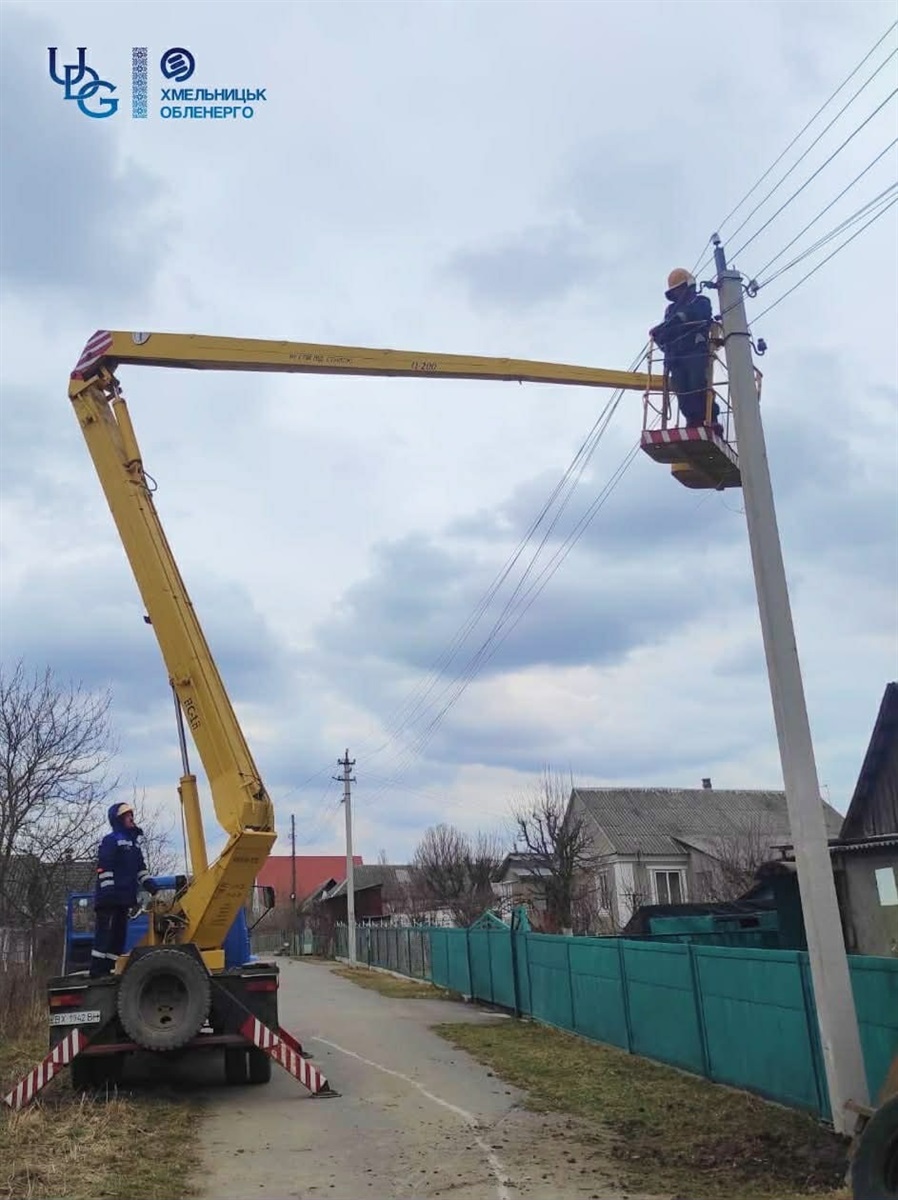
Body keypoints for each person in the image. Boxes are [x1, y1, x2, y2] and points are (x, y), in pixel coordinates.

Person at [90, 801, 157, 978]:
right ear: (118, 819)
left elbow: (141, 870)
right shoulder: (111, 841)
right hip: (109, 900)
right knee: (105, 936)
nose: (132, 818)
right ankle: (98, 971)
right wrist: (109, 891)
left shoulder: (135, 846)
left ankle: (110, 968)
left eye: (132, 815)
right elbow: (105, 866)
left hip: (123, 901)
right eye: (128, 815)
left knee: (118, 937)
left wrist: (151, 885)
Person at [650, 267, 721, 431]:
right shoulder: (670, 311)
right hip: (676, 356)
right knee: (681, 389)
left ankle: (711, 418)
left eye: (680, 289)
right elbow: (667, 333)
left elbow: (696, 314)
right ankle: (693, 421)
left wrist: (676, 322)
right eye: (675, 291)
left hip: (695, 351)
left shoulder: (701, 302)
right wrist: (659, 334)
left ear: (689, 287)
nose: (678, 293)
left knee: (697, 384)